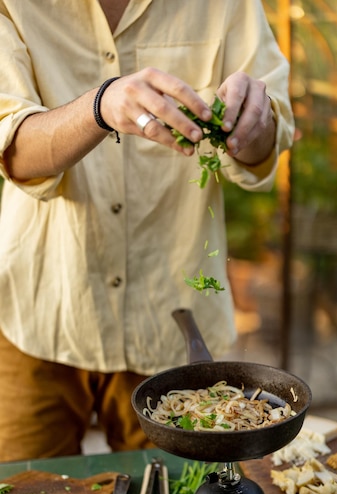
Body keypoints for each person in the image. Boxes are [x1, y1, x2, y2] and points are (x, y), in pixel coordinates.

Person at [0, 0, 294, 462]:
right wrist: (101, 105)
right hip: (42, 311)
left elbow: (267, 140)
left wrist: (253, 123)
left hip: (173, 321)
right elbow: (12, 146)